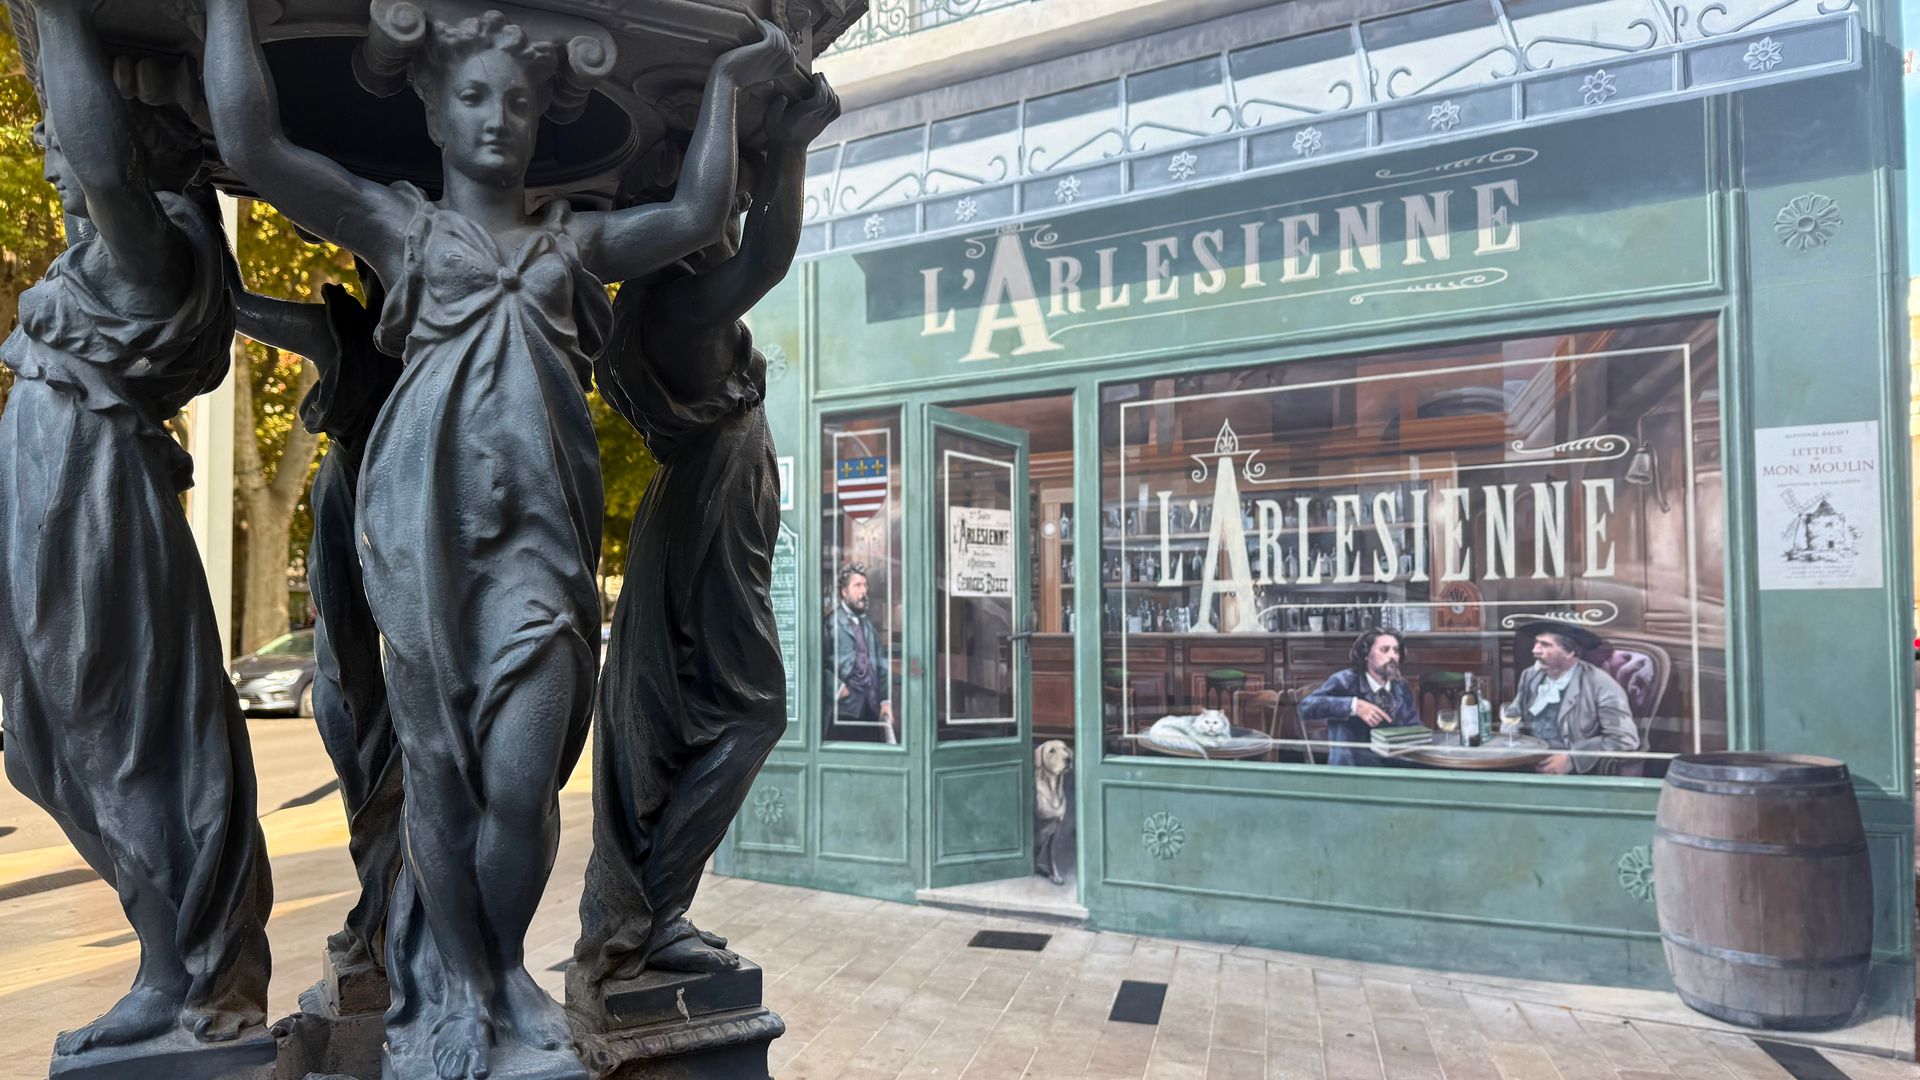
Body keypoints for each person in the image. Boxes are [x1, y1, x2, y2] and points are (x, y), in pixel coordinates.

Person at [203, 4, 796, 1074]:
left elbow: (706, 206)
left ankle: (503, 966)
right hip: (427, 550)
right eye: (473, 95)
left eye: (518, 100)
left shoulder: (578, 246)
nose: (496, 118)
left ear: (542, 117)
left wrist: (736, 91)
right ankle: (472, 993)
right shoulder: (406, 233)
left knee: (522, 781)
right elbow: (253, 149)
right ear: (434, 108)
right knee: (438, 776)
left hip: (540, 559)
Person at [0, 1, 271, 1058]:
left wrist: (58, 14)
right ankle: (175, 959)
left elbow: (108, 175)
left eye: (62, 140)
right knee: (49, 754)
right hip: (56, 498)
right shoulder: (93, 270)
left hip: (89, 505)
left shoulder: (157, 252)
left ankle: (185, 972)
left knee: (119, 743)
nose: (53, 158)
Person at [574, 74, 841, 994]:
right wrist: (796, 143)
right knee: (752, 708)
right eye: (720, 189)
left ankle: (650, 911)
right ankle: (650, 909)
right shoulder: (680, 307)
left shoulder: (659, 302)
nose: (733, 199)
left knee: (696, 712)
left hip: (706, 509)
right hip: (711, 512)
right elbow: (767, 257)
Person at [230, 259, 404, 990]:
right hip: (358, 498)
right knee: (349, 715)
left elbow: (240, 306)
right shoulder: (364, 339)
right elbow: (243, 308)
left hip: (385, 501)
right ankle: (387, 905)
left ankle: (396, 908)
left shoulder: (414, 339)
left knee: (360, 719)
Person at [1512, 621, 1638, 774]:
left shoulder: (1600, 684)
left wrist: (1574, 758)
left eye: (1545, 645)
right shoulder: (1530, 675)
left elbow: (1624, 738)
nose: (1535, 650)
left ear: (1570, 652)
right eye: (1536, 643)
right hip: (1525, 761)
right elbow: (1513, 714)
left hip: (1570, 773)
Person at [1299, 629, 1419, 767]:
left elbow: (1414, 728)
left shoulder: (1400, 687)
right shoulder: (1345, 681)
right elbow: (1304, 707)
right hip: (1352, 773)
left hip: (1393, 770)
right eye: (1385, 650)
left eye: (1396, 651)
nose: (1392, 656)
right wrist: (1354, 705)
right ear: (1366, 655)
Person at [827, 563, 896, 744]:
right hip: (844, 712)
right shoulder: (831, 623)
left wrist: (885, 702)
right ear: (844, 591)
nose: (863, 591)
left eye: (865, 585)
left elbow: (881, 664)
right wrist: (839, 689)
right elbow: (815, 664)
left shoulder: (868, 626)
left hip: (871, 709)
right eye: (857, 585)